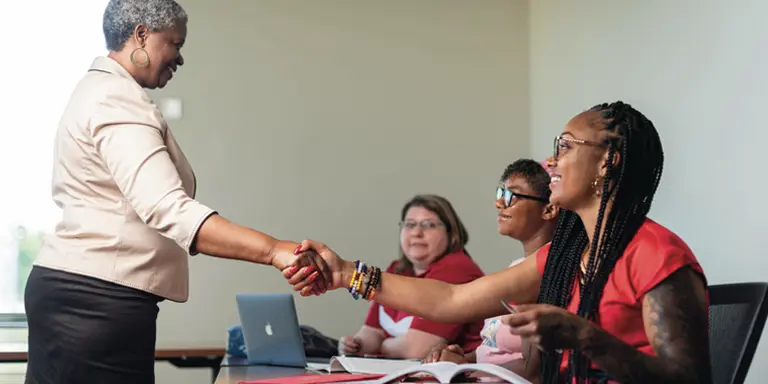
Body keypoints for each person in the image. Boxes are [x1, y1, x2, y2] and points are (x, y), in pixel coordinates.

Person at [288, 101, 712, 383]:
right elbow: (453, 301)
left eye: (564, 147)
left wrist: (585, 337)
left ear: (609, 160)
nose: (551, 161)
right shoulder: (566, 255)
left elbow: (689, 380)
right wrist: (347, 273)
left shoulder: (656, 254)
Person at [24, 1, 327, 383]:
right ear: (141, 35)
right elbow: (169, 208)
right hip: (95, 303)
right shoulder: (116, 98)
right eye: (175, 43)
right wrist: (276, 250)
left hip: (79, 294)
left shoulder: (98, 90)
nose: (179, 58)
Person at [424, 159, 558, 366]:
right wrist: (459, 359)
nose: (499, 203)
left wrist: (466, 370)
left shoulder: (548, 273)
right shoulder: (517, 266)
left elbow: (535, 372)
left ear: (548, 210)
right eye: (500, 194)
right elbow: (496, 354)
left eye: (512, 196)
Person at [338, 195, 485, 359]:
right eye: (410, 225)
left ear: (451, 233)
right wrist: (356, 344)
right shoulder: (396, 270)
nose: (416, 232)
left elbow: (417, 350)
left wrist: (380, 346)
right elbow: (373, 330)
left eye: (429, 225)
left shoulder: (458, 268)